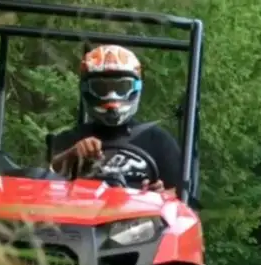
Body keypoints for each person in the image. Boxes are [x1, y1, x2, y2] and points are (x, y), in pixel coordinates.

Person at [49, 45, 182, 192]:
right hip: (81, 211)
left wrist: (159, 197)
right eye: (101, 88)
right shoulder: (70, 139)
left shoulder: (159, 141)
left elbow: (182, 204)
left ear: (135, 88)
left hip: (140, 212)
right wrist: (72, 154)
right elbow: (42, 182)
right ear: (87, 90)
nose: (111, 96)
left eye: (121, 88)